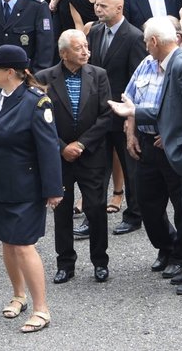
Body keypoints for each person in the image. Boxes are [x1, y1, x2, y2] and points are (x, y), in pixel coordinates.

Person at [109, 16, 182, 295]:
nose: (145, 47)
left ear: (153, 41)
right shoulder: (172, 62)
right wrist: (135, 113)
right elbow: (170, 110)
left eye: (146, 42)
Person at [0, 45, 63, 333]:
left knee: (24, 246)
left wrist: (54, 189)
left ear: (10, 72)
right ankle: (19, 295)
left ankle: (42, 309)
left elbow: (48, 148)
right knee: (7, 242)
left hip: (25, 186)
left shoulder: (36, 103)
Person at [35, 30, 112, 285]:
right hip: (60, 156)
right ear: (63, 53)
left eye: (86, 47)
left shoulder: (98, 75)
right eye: (79, 48)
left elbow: (106, 116)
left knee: (96, 208)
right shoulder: (44, 77)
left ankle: (100, 261)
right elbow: (39, 121)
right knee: (62, 209)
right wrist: (61, 147)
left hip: (91, 153)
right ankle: (65, 263)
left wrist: (81, 144)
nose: (85, 52)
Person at [87, 0, 147, 236]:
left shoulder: (134, 37)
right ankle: (93, 218)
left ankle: (134, 215)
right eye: (97, 5)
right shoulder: (95, 31)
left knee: (130, 168)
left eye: (103, 6)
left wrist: (131, 117)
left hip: (122, 115)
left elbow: (138, 81)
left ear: (119, 8)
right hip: (99, 114)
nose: (98, 9)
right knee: (95, 170)